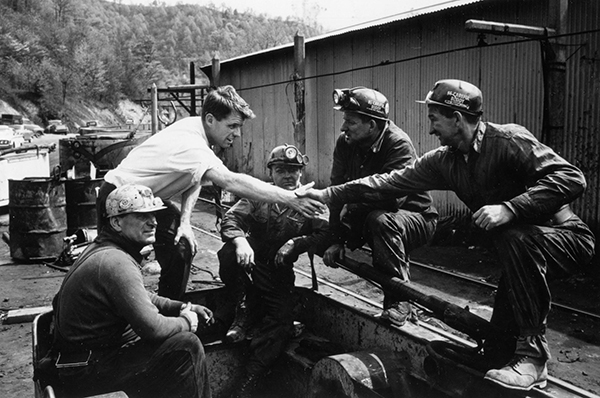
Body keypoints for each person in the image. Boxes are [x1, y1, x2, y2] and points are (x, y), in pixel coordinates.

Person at [301, 79, 596, 391]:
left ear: (457, 118)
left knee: (514, 239)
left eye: (434, 119)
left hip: (565, 237)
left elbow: (571, 178)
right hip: (520, 252)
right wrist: (328, 195)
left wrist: (511, 208)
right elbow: (386, 182)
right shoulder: (446, 160)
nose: (431, 130)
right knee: (498, 345)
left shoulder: (508, 139)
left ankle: (534, 358)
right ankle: (502, 354)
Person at [97, 85, 326, 300]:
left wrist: (186, 222)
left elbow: (193, 178)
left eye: (239, 127)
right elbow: (230, 181)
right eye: (232, 126)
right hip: (119, 198)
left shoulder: (196, 129)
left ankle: (169, 308)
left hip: (150, 201)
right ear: (210, 119)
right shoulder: (193, 145)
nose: (237, 134)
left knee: (182, 246)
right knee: (116, 265)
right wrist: (290, 198)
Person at [51, 184, 214, 398]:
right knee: (186, 345)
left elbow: (141, 296)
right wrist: (187, 321)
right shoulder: (116, 262)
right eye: (141, 216)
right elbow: (153, 328)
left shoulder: (105, 250)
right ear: (116, 222)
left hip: (83, 360)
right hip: (87, 371)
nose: (153, 222)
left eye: (154, 215)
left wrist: (181, 307)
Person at [217, 144, 332, 398]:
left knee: (280, 325)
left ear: (302, 172)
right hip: (250, 267)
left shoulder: (312, 201)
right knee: (228, 252)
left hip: (279, 273)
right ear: (271, 173)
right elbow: (230, 219)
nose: (288, 176)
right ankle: (243, 308)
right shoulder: (260, 195)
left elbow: (325, 233)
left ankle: (249, 380)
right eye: (281, 170)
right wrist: (240, 241)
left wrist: (297, 243)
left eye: (294, 170)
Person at [326, 86, 438, 327]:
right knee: (375, 219)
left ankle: (400, 301)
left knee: (381, 220)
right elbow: (336, 190)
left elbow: (392, 200)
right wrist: (335, 239)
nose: (343, 127)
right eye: (345, 120)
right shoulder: (346, 143)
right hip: (374, 213)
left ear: (372, 125)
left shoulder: (398, 144)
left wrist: (352, 208)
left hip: (417, 218)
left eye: (351, 122)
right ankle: (405, 302)